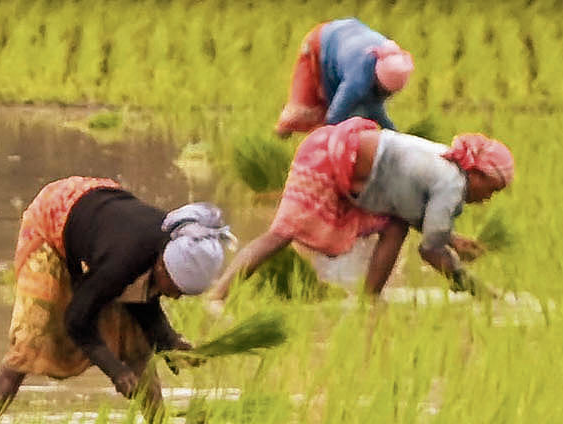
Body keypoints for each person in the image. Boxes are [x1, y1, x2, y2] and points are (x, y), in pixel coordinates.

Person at [0, 177, 234, 424]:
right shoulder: (122, 262)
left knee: (136, 344)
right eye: (177, 289)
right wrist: (117, 371)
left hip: (103, 215)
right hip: (52, 218)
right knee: (30, 341)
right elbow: (77, 319)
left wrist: (170, 342)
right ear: (163, 267)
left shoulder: (167, 242)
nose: (176, 297)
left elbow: (145, 301)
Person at [218, 126, 510, 302]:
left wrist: (452, 240)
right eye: (492, 189)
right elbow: (430, 251)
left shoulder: (446, 163)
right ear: (477, 174)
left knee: (395, 227)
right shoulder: (452, 185)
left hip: (342, 155)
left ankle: (368, 301)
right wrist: (481, 292)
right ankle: (218, 294)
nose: (487, 199)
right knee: (281, 234)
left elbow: (407, 208)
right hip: (328, 161)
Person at [275, 17, 417, 133]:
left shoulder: (388, 59)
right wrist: (326, 139)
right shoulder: (357, 82)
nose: (388, 96)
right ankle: (282, 130)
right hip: (320, 41)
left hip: (347, 37)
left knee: (360, 113)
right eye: (386, 92)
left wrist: (393, 132)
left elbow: (375, 106)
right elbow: (334, 116)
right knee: (304, 107)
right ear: (378, 82)